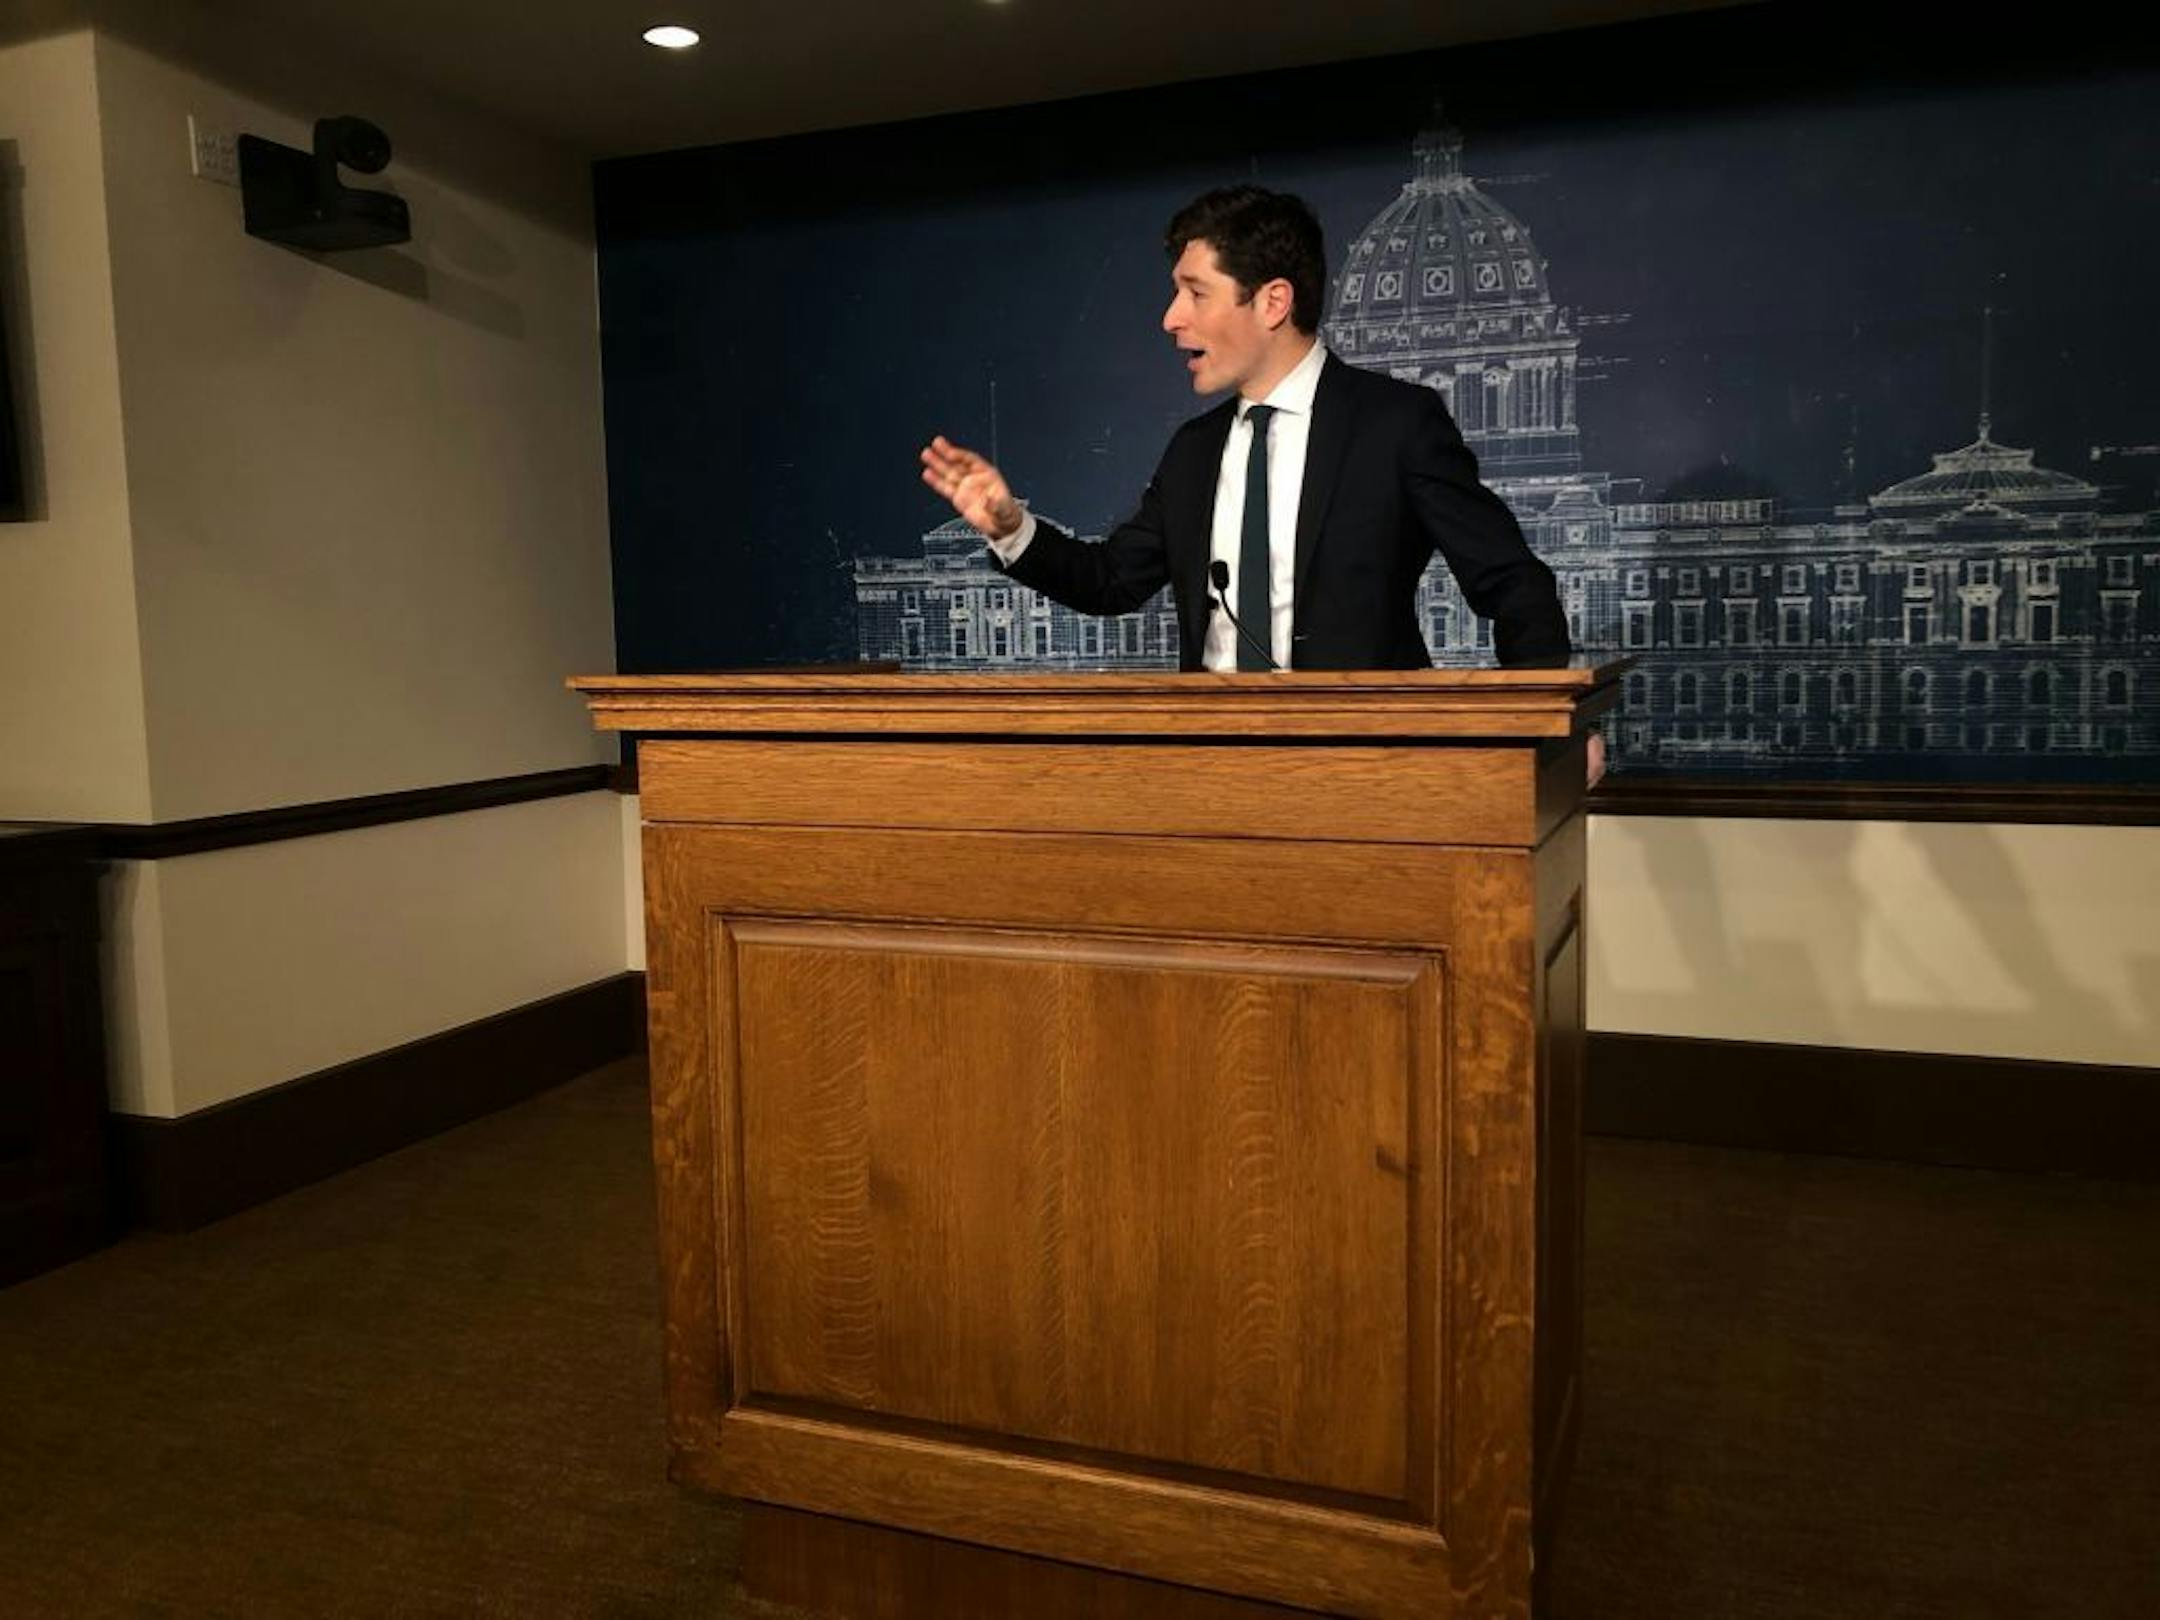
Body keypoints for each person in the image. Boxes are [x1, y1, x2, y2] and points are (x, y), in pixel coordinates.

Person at [919, 184, 1573, 674]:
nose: (1170, 318)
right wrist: (1009, 526)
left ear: (1272, 302)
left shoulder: (1396, 423)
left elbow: (1514, 584)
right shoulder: (1193, 452)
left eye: (1195, 293)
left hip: (1366, 771)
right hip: (1215, 772)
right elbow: (1109, 580)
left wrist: (1548, 730)